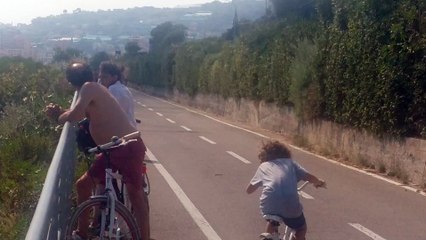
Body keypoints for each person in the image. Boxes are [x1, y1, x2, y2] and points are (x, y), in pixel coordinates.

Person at [44, 62, 150, 240]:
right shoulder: (92, 89)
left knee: (136, 194)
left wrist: (58, 117)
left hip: (127, 146)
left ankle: (144, 238)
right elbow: (81, 112)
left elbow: (76, 116)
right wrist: (62, 112)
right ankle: (82, 233)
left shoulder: (89, 88)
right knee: (83, 185)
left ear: (70, 81)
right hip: (110, 150)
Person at [246, 140, 326, 240]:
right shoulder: (291, 163)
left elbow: (249, 190)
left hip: (269, 203)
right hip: (290, 204)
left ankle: (270, 236)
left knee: (272, 220)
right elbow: (308, 176)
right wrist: (319, 182)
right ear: (285, 153)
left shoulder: (263, 166)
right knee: (301, 228)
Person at [98, 61, 137, 127]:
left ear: (114, 77)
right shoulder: (123, 88)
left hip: (120, 132)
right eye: (100, 77)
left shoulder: (113, 90)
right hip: (129, 129)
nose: (101, 80)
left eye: (105, 77)